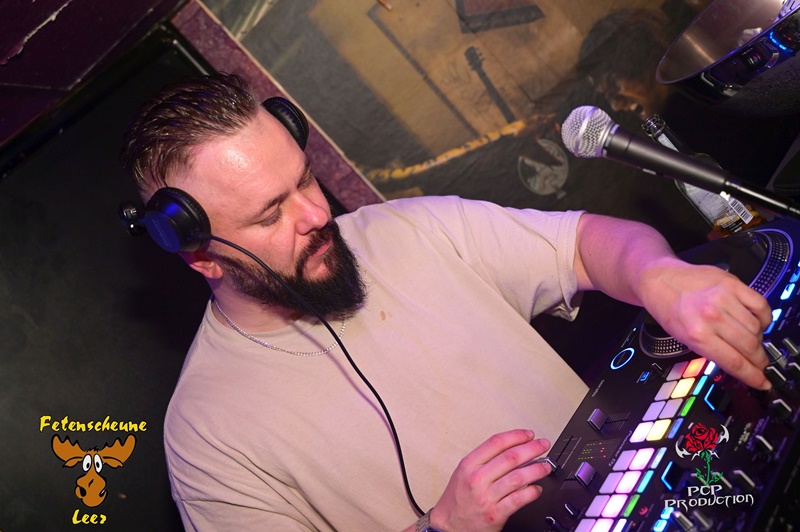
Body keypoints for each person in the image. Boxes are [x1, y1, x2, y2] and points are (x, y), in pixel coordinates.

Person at [120, 73, 772, 531]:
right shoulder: (208, 435)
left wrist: (657, 273)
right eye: (271, 214)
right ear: (201, 255)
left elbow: (585, 243)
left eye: (305, 179)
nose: (317, 214)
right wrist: (444, 527)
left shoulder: (407, 230)